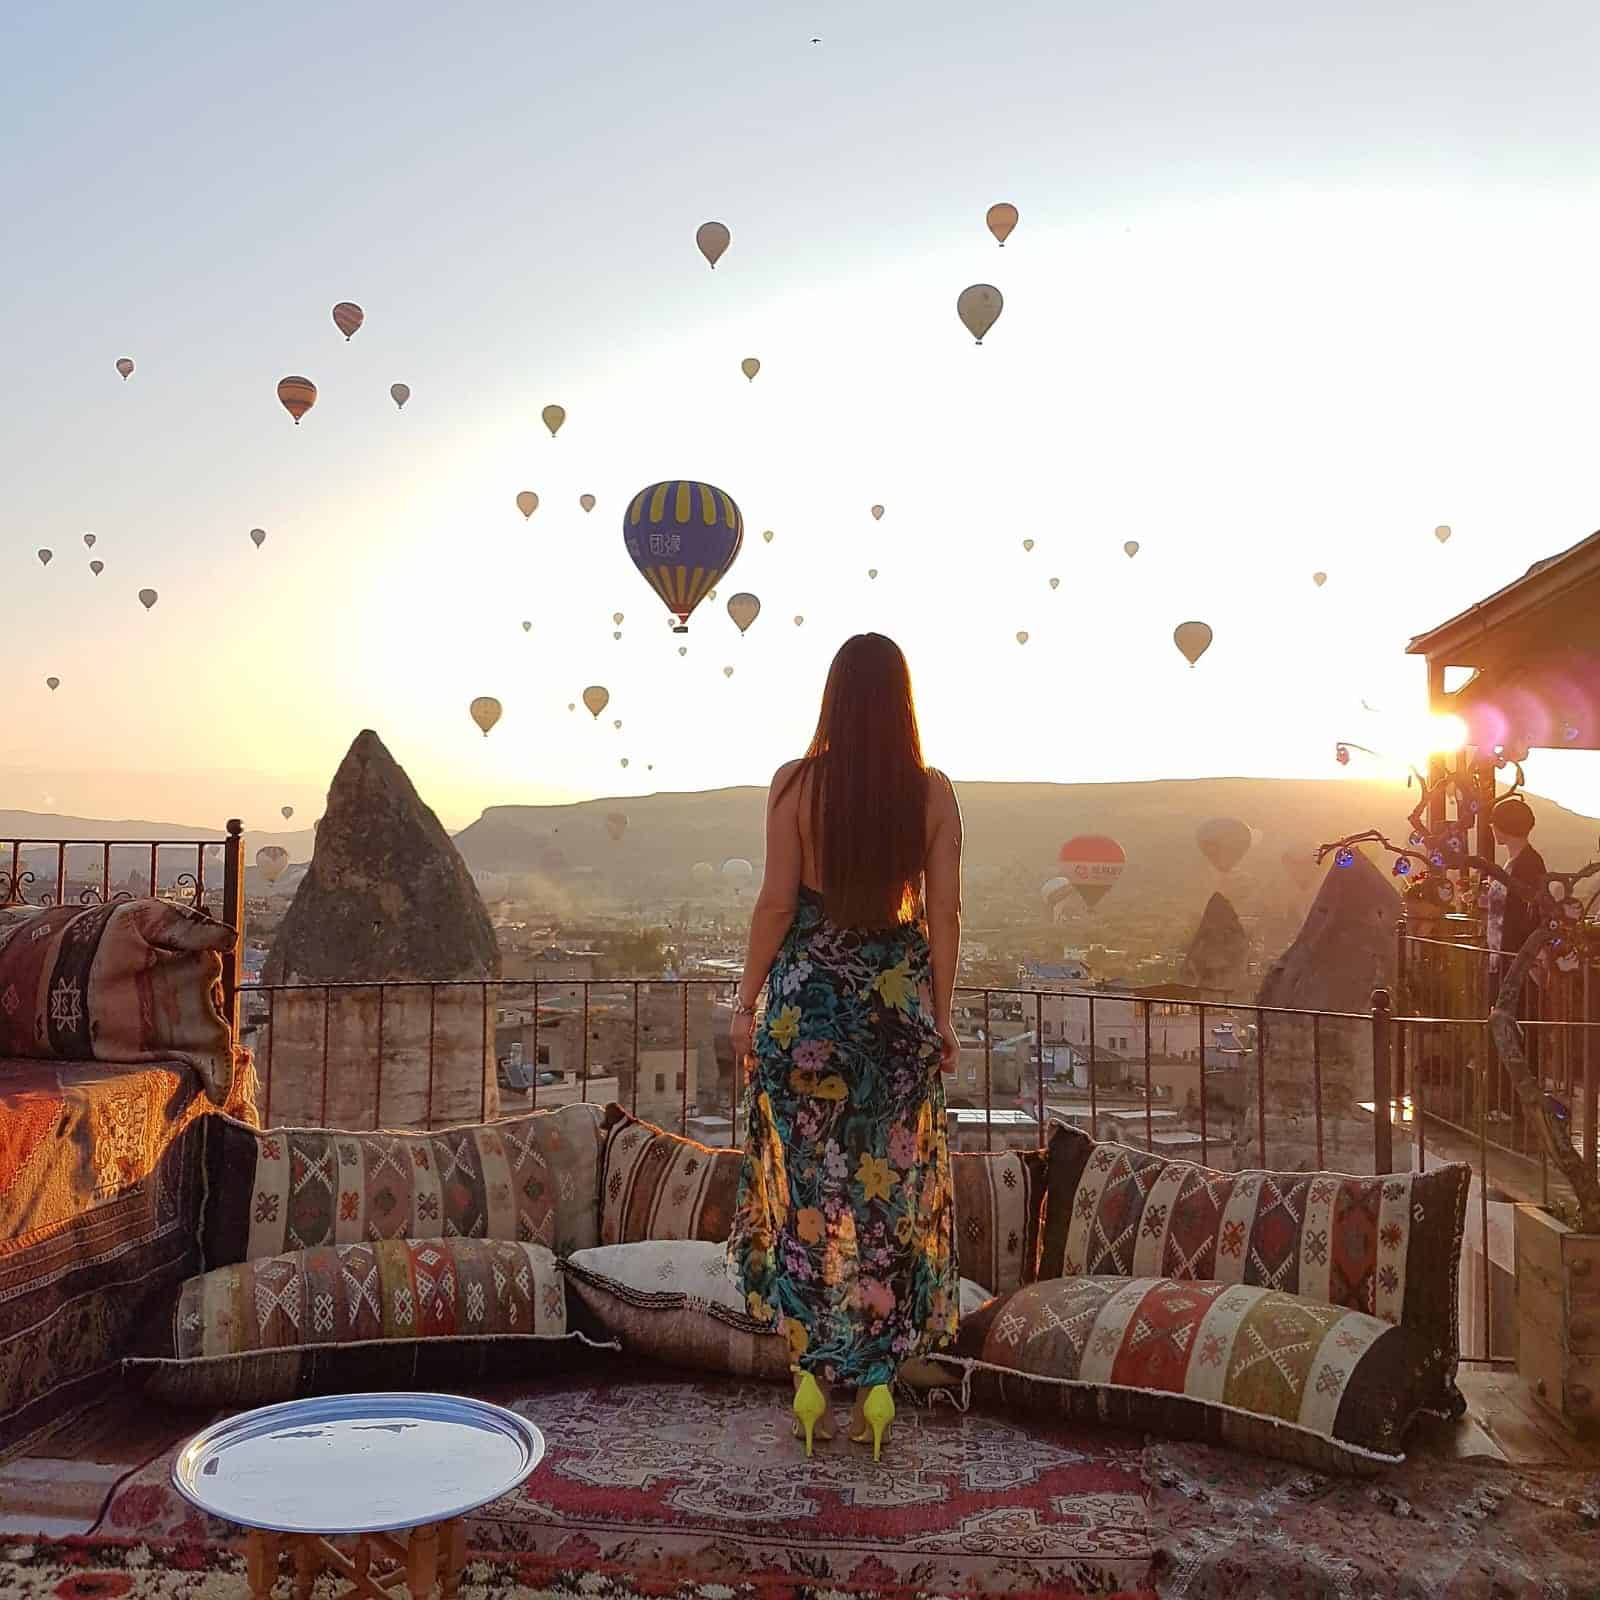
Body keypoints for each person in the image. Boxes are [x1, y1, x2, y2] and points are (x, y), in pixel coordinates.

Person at [726, 633, 962, 1461]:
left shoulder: (795, 784)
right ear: (902, 702)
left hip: (805, 1019)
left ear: (833, 697)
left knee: (807, 1203)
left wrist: (747, 1000)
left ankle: (808, 1381)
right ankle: (876, 1388)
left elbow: (775, 905)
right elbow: (945, 919)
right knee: (884, 1204)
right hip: (893, 1014)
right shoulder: (931, 793)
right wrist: (942, 1016)